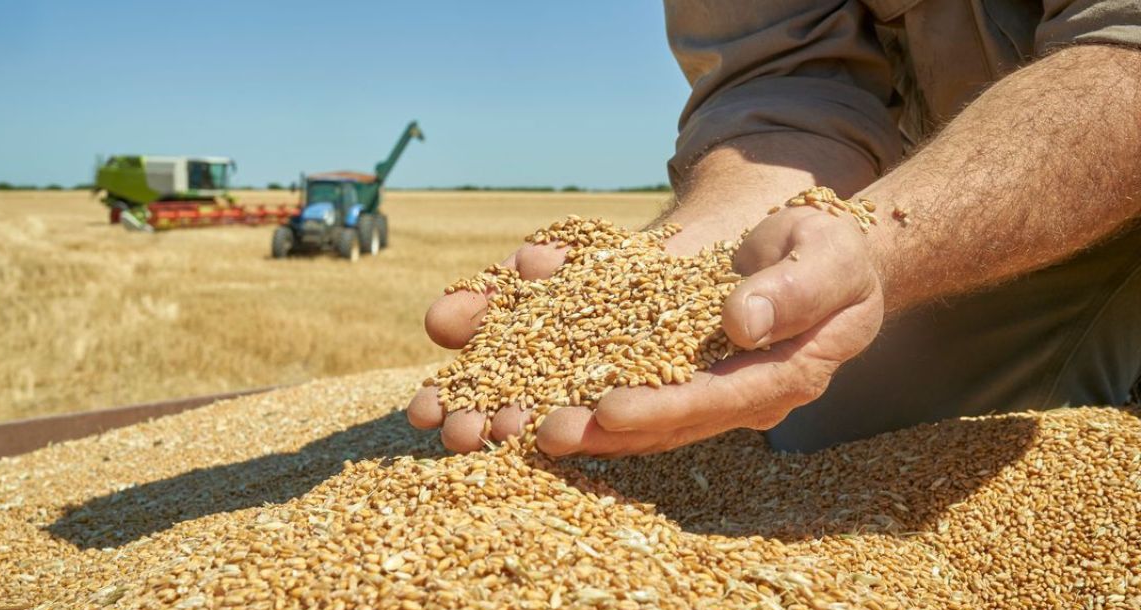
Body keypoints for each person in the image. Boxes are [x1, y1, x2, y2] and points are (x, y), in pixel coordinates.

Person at [408, 0, 1141, 455]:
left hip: (1088, 155)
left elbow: (1126, 54)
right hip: (968, 181)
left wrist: (888, 244)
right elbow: (784, 80)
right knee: (817, 426)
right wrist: (706, 248)